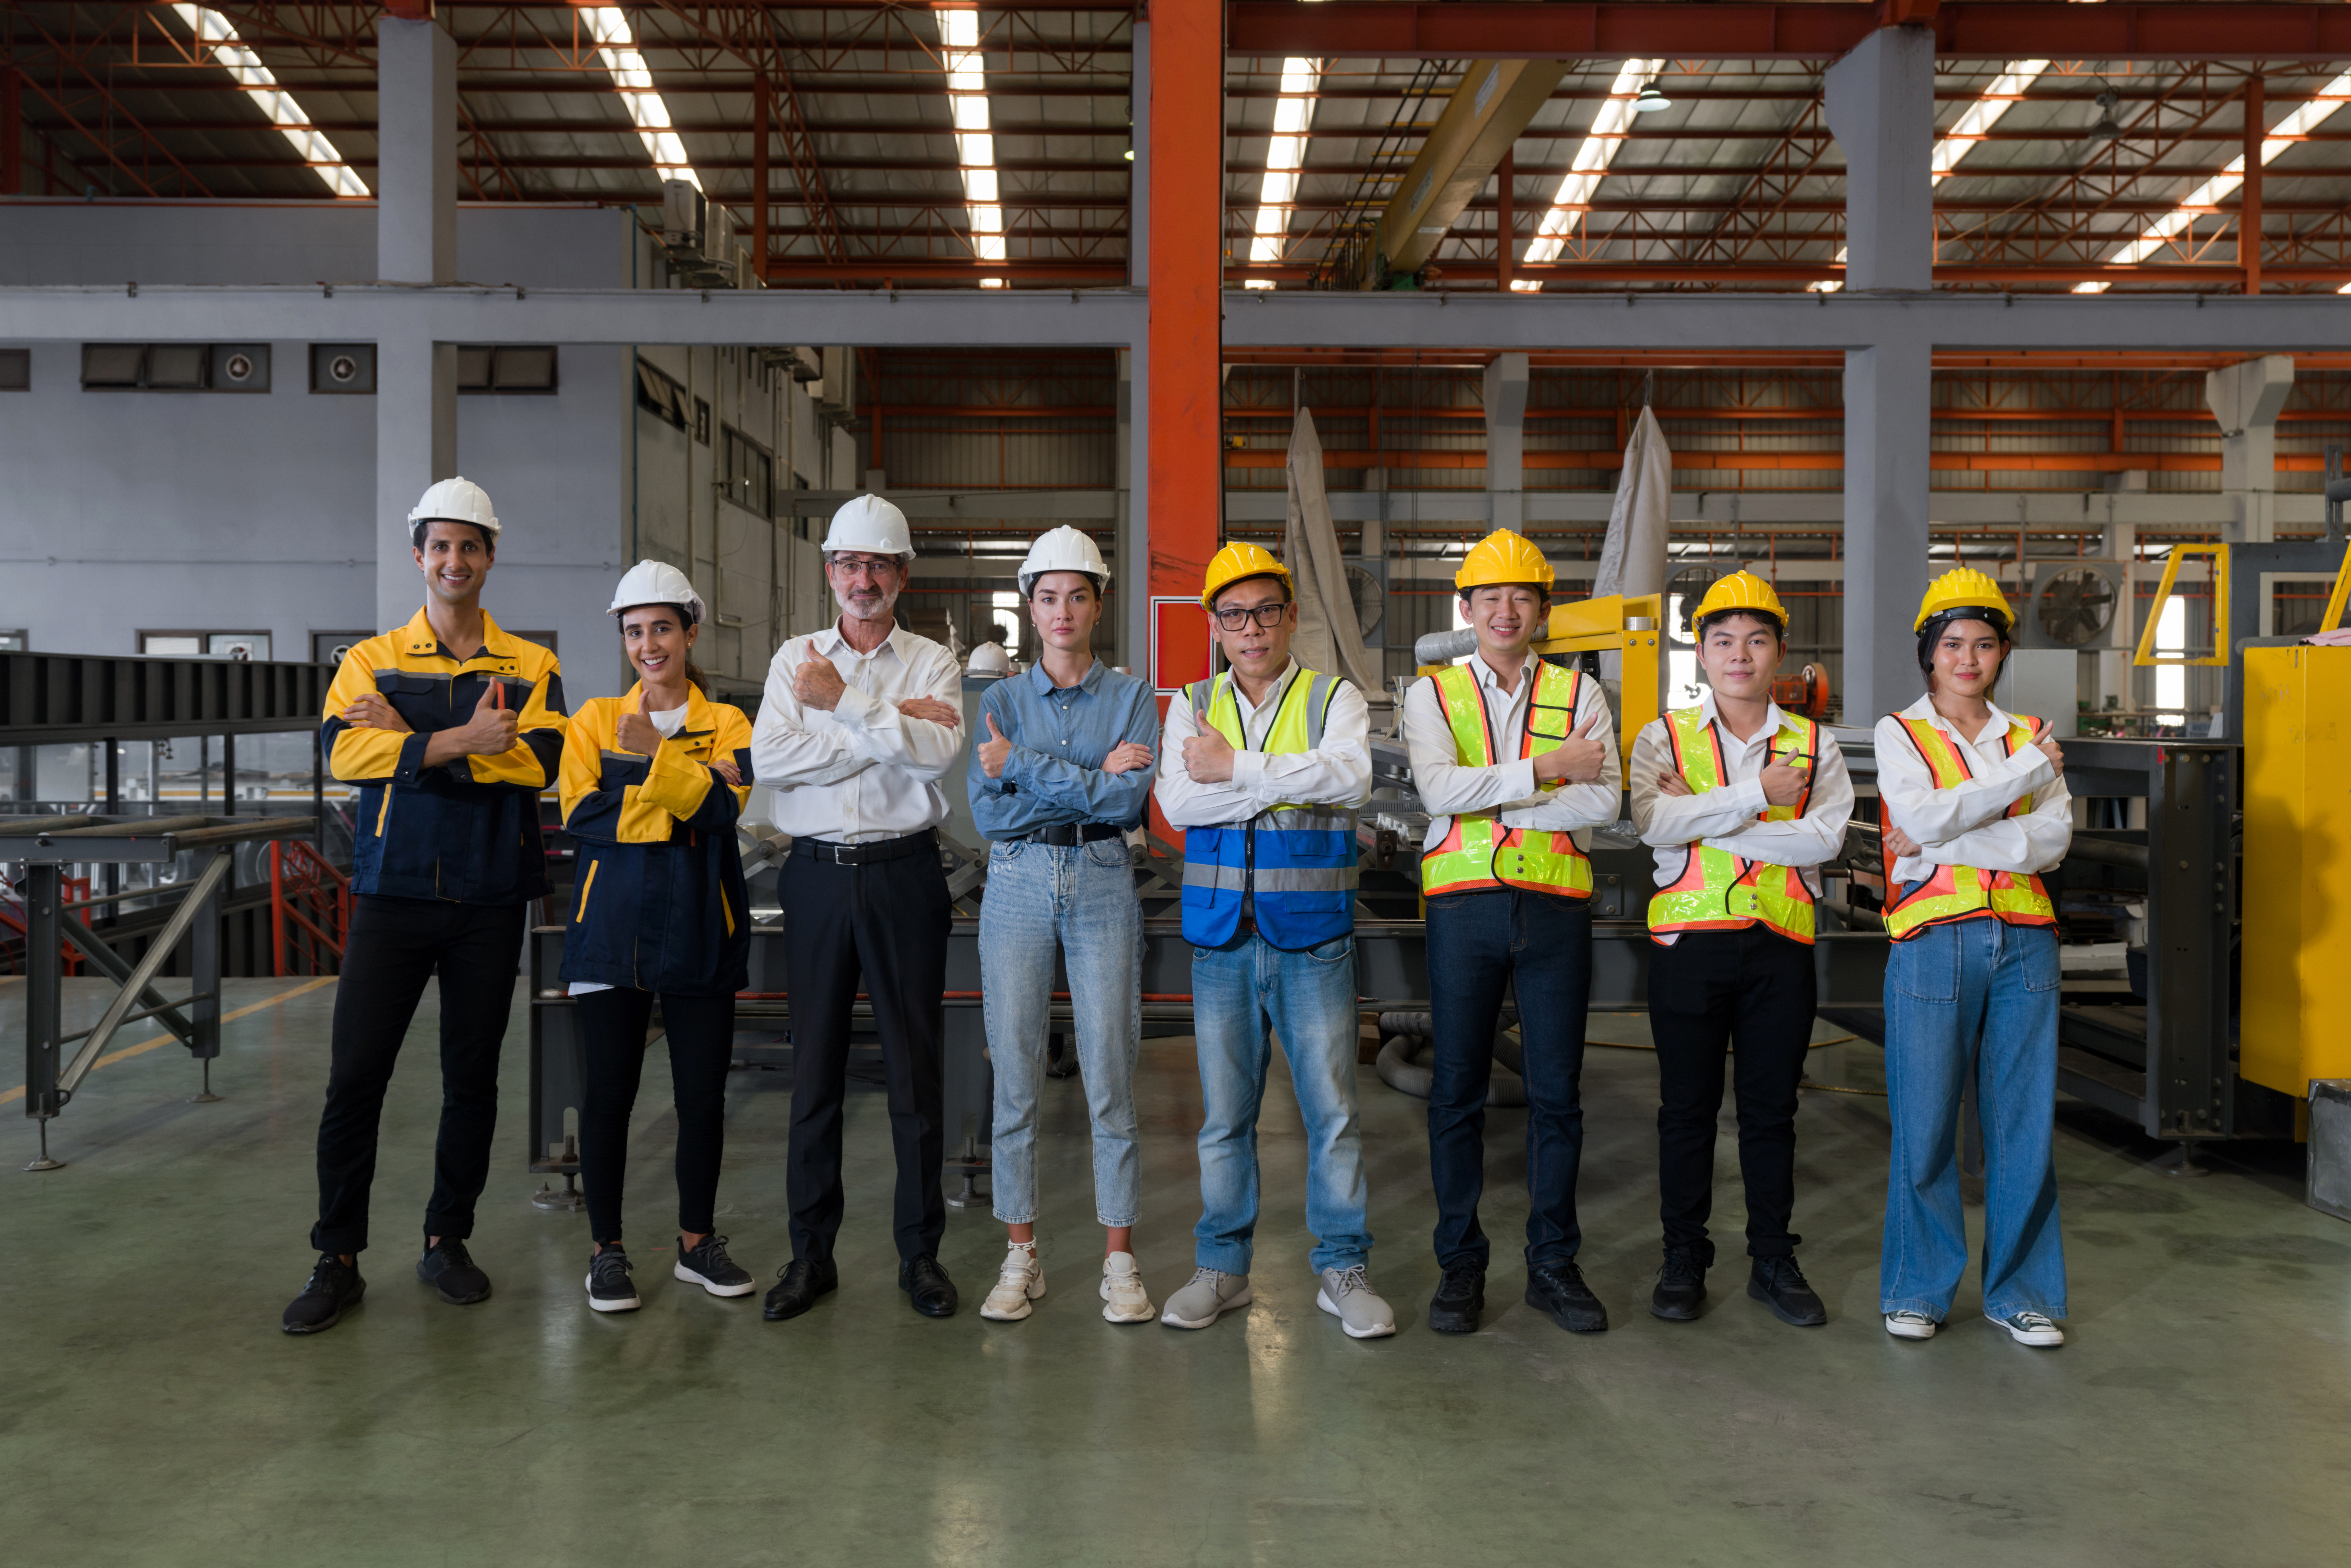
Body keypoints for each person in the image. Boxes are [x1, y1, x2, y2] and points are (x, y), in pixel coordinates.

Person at [282, 477, 568, 1335]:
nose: (454, 560)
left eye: (469, 546)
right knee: (355, 1077)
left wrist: (405, 738)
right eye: (439, 546)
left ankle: (448, 1237)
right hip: (393, 894)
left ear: (489, 557)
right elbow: (343, 753)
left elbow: (543, 760)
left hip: (488, 898)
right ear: (420, 555)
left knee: (470, 1080)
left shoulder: (531, 664)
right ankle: (336, 1257)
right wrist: (460, 738)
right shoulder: (367, 660)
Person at [1154, 542, 1393, 1339]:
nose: (1251, 628)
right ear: (1215, 626)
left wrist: (1237, 769)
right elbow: (1183, 808)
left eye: (1265, 611)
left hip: (1312, 940)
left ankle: (1342, 1268)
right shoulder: (1189, 703)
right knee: (1225, 1118)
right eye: (1234, 615)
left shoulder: (1337, 701)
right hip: (1221, 943)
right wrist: (1282, 776)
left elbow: (1351, 780)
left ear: (1290, 617)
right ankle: (1222, 1268)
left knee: (1332, 1115)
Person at [750, 495, 968, 1322]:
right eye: (849, 564)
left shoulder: (931, 664)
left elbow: (937, 755)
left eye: (879, 564)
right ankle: (811, 1256)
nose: (863, 579)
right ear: (831, 571)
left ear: (903, 574)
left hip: (904, 876)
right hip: (812, 876)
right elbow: (773, 760)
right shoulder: (792, 657)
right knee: (815, 1071)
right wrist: (881, 728)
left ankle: (921, 1257)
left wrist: (838, 706)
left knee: (915, 1070)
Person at [1402, 527, 1619, 1337]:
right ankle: (1461, 1268)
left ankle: (1553, 1264)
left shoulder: (1581, 694)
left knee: (1558, 1096)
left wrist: (1489, 795)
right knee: (1457, 1093)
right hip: (1463, 909)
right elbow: (1435, 791)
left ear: (1540, 611)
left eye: (1521, 597)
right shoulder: (1432, 695)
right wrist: (1546, 772)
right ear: (1465, 609)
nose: (1505, 610)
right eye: (1489, 597)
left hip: (1557, 910)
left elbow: (1605, 803)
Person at [1627, 571, 1853, 1328]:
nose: (1739, 655)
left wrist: (1705, 816)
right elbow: (1654, 826)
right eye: (1722, 640)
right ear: (1701, 653)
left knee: (1771, 1112)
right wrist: (1758, 795)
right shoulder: (1663, 735)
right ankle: (1683, 1255)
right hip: (1690, 946)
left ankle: (1772, 1259)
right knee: (1685, 1111)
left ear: (1779, 653)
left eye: (1756, 641)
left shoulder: (1816, 744)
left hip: (1779, 949)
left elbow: (1822, 839)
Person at [1876, 567, 2072, 1348]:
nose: (1968, 658)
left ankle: (2021, 1293)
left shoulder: (2025, 728)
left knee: (2023, 1126)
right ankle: (1919, 1288)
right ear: (1929, 652)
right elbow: (1917, 813)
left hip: (2025, 942)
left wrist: (1946, 836)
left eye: (1984, 644)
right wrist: (2019, 783)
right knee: (1923, 1125)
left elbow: (2052, 844)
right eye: (1953, 643)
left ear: (2002, 653)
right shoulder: (1904, 732)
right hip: (1933, 942)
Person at [967, 527, 1160, 1325]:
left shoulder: (1135, 696)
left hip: (1105, 878)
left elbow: (1127, 804)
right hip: (1015, 881)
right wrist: (1083, 776)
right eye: (1048, 597)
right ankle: (1023, 1255)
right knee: (1014, 1073)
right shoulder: (1000, 700)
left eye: (1078, 595)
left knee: (1110, 1071)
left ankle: (1120, 1261)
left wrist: (1023, 767)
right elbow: (987, 814)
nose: (1063, 611)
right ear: (1030, 607)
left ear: (1098, 604)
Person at [558, 561, 757, 1313]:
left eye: (662, 629)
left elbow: (723, 812)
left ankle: (695, 1242)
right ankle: (606, 1250)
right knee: (608, 1099)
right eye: (635, 631)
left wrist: (650, 766)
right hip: (609, 934)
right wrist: (677, 790)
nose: (649, 644)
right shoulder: (591, 722)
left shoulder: (730, 724)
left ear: (690, 633)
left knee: (701, 1100)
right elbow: (583, 818)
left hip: (703, 932)